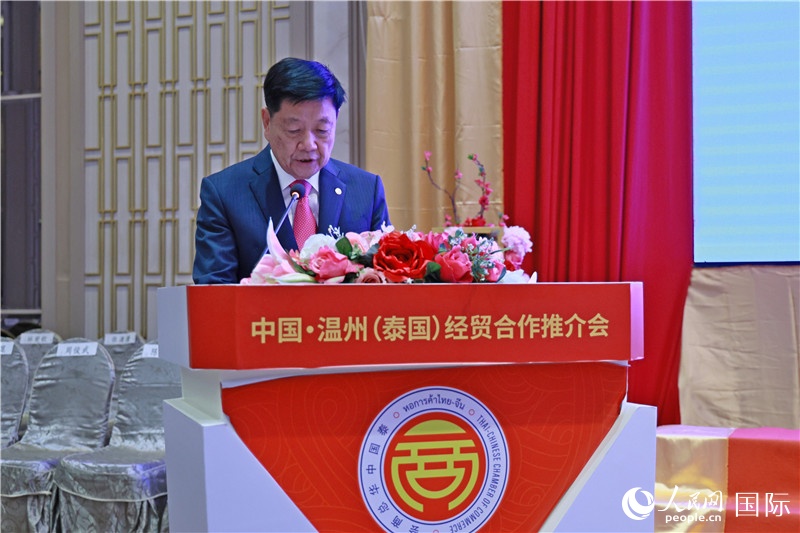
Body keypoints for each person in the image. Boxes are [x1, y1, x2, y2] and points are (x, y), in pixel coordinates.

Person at [192, 57, 391, 284]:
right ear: (267, 122)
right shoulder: (224, 194)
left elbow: (386, 283)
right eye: (294, 130)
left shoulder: (366, 191)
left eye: (322, 130)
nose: (309, 144)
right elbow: (214, 290)